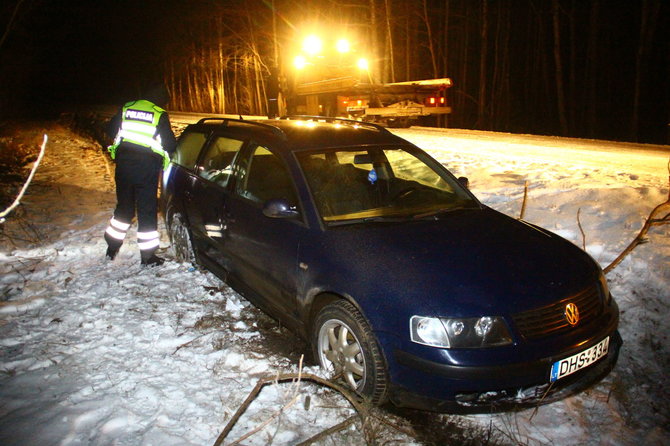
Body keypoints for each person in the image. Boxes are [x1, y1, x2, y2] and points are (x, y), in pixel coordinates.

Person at [103, 84, 177, 266]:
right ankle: (148, 257)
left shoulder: (127, 107)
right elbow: (169, 144)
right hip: (146, 168)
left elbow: (110, 130)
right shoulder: (159, 114)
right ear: (161, 100)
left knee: (124, 208)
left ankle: (111, 248)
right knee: (146, 209)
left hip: (124, 165)